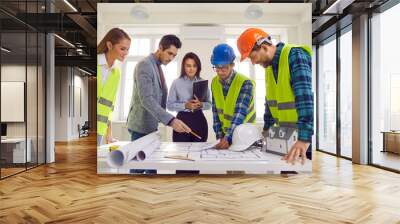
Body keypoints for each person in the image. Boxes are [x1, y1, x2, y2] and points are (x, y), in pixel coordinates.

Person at [237, 28, 313, 165]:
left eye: (252, 57)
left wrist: (304, 139)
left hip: (303, 140)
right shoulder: (270, 68)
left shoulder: (295, 56)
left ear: (264, 47)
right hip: (287, 139)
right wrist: (266, 133)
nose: (253, 63)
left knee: (305, 182)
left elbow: (305, 99)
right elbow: (270, 103)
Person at [127, 34, 192, 142]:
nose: (171, 58)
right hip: (140, 127)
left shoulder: (157, 66)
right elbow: (147, 99)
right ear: (160, 47)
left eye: (174, 55)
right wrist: (171, 121)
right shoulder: (145, 65)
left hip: (151, 126)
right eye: (169, 53)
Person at [210, 43, 256, 150]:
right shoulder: (214, 83)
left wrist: (228, 138)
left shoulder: (245, 83)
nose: (220, 72)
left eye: (224, 68)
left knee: (244, 167)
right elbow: (215, 112)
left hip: (246, 137)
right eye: (217, 68)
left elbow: (239, 113)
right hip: (227, 138)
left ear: (232, 65)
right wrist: (220, 136)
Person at [97, 28, 131, 146]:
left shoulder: (116, 73)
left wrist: (109, 134)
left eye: (127, 49)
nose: (126, 53)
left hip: (100, 130)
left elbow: (109, 106)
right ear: (109, 45)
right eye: (122, 48)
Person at [167, 52, 211, 142]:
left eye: (194, 66)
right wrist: (185, 106)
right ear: (183, 66)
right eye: (188, 66)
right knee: (181, 152)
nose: (191, 69)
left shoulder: (203, 82)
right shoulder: (176, 83)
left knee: (199, 154)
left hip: (199, 121)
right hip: (181, 122)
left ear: (198, 67)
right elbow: (169, 105)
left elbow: (210, 104)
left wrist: (201, 104)